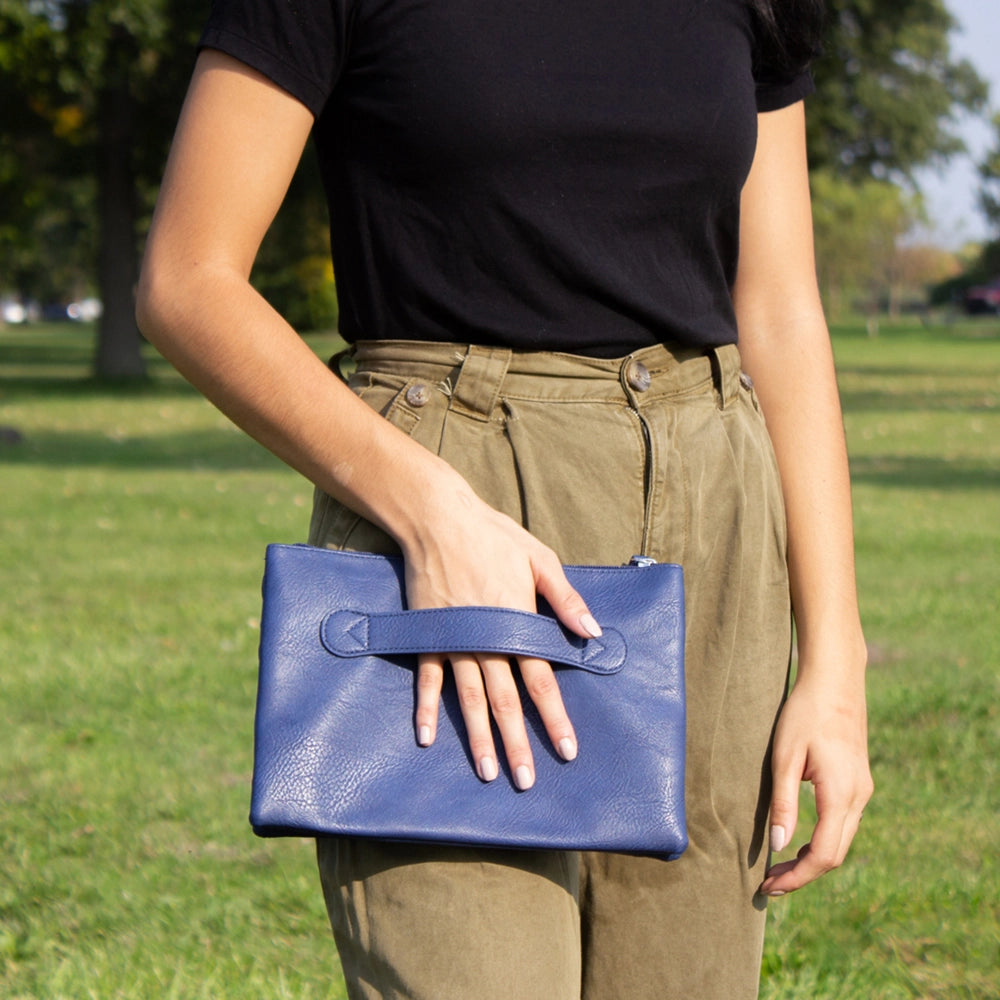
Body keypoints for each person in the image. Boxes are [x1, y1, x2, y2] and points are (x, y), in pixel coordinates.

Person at [136, 0, 874, 996]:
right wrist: (432, 513)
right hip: (454, 512)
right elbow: (189, 278)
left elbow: (779, 310)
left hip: (715, 530)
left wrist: (835, 657)